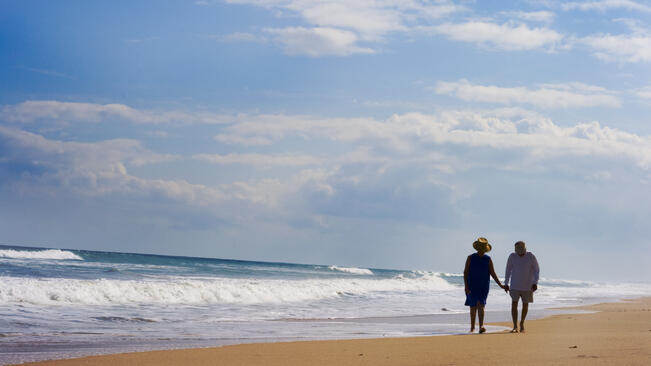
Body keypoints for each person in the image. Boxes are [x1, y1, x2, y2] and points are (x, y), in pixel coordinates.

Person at [463, 237, 506, 333]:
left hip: (483, 285)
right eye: (481, 249)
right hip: (471, 285)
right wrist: (466, 286)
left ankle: (481, 326)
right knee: (473, 306)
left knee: (481, 305)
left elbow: (493, 273)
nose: (482, 251)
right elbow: (465, 273)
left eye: (483, 249)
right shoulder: (470, 258)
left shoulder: (488, 259)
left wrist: (501, 285)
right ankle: (472, 327)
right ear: (478, 248)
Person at [504, 241, 540, 333]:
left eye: (521, 250)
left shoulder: (531, 256)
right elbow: (508, 270)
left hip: (528, 286)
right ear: (515, 250)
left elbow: (536, 269)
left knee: (525, 305)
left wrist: (535, 282)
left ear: (525, 249)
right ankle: (515, 326)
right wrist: (506, 283)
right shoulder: (512, 256)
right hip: (514, 285)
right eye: (518, 251)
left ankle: (522, 323)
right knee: (514, 304)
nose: (520, 253)